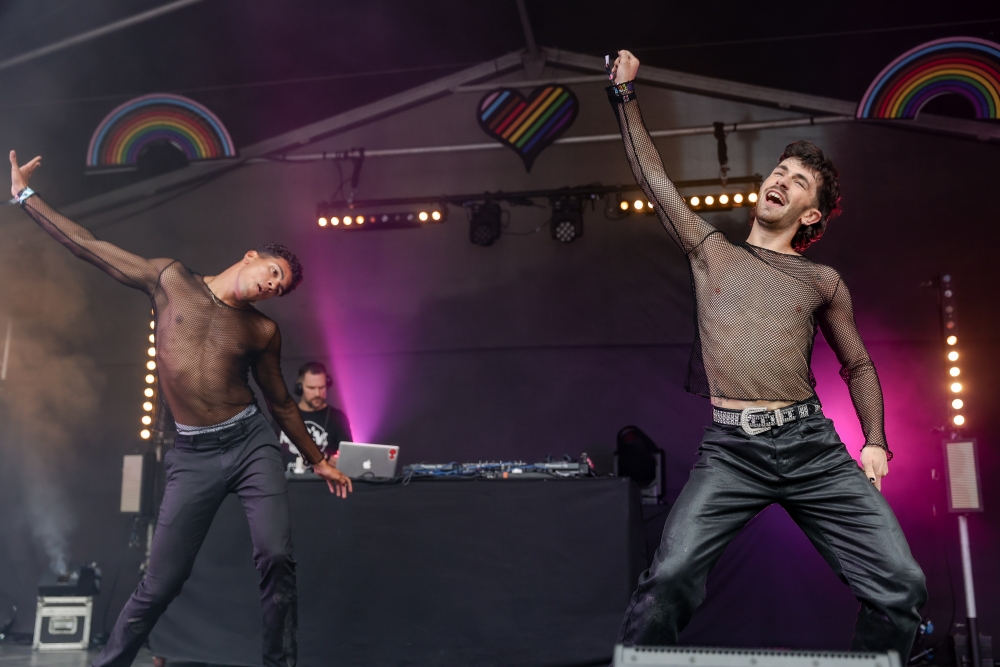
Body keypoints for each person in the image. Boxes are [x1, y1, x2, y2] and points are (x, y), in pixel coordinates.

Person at [606, 51, 926, 657]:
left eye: (797, 180)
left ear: (810, 213)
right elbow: (655, 179)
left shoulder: (822, 280)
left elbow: (856, 363)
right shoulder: (709, 249)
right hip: (732, 450)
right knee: (668, 579)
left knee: (901, 585)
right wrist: (624, 96)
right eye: (778, 171)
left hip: (812, 449)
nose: (779, 179)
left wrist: (876, 440)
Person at [8, 150, 353, 667]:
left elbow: (281, 403)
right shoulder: (171, 281)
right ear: (253, 256)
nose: (271, 286)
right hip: (193, 457)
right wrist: (25, 196)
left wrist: (317, 457)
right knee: (161, 582)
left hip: (249, 444)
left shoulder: (262, 329)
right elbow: (90, 247)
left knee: (277, 556)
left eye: (279, 289)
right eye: (273, 273)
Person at [279, 361, 352, 465]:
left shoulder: (337, 418)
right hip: (288, 480)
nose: (317, 393)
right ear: (300, 387)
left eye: (321, 387)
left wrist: (325, 458)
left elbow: (349, 462)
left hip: (322, 481)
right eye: (311, 388)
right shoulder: (284, 415)